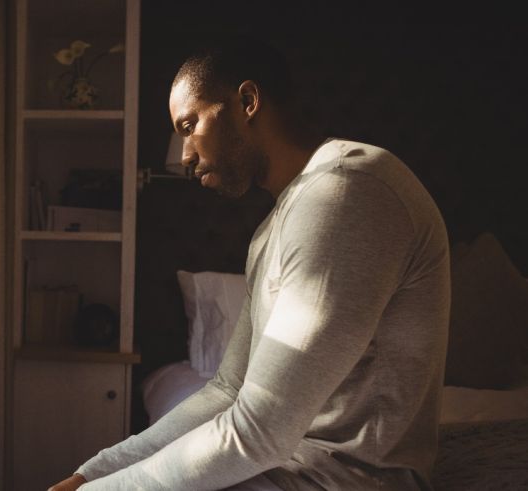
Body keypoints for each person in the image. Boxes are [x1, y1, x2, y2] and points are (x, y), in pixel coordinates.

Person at [49, 38, 450, 491]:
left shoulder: (347, 193)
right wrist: (93, 472)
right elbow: (227, 389)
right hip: (288, 468)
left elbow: (261, 429)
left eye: (189, 125)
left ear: (247, 101)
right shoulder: (272, 229)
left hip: (348, 480)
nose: (184, 156)